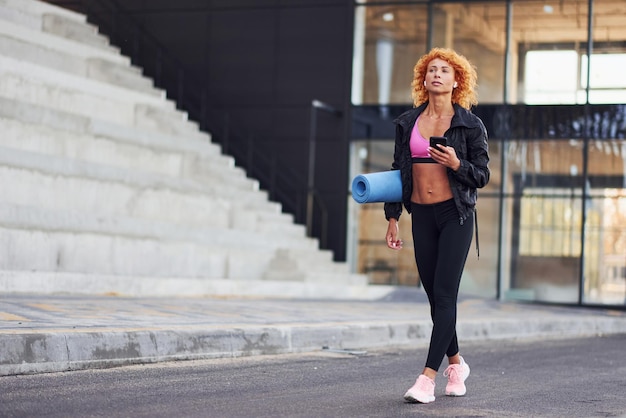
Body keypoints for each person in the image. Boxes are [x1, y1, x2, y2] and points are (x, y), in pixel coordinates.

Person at [384, 47, 490, 404]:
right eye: (431, 69)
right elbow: (398, 171)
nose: (437, 74)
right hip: (422, 216)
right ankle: (457, 363)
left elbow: (483, 175)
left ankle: (427, 378)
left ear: (456, 80)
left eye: (445, 70)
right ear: (423, 79)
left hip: (455, 215)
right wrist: (392, 217)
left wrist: (458, 164)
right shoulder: (407, 122)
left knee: (445, 295)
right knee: (434, 298)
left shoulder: (470, 124)